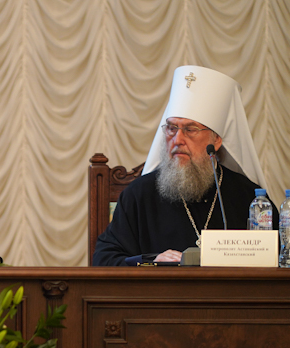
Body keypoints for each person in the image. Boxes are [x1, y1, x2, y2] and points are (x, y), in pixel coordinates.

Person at [93, 66, 275, 266]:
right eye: (172, 128)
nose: (177, 139)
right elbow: (103, 260)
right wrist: (152, 262)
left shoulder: (249, 198)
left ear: (216, 140)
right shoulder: (139, 195)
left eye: (190, 129)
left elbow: (285, 258)